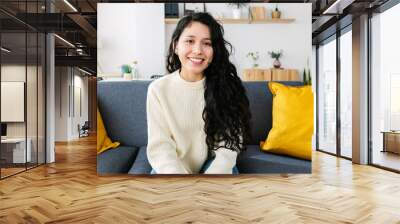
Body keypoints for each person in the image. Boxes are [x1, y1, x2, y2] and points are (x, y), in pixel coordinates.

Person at [146, 12, 251, 174]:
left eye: (207, 43)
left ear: (214, 50)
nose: (198, 50)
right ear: (176, 46)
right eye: (189, 41)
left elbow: (228, 148)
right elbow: (161, 147)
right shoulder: (158, 89)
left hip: (213, 165)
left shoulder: (226, 86)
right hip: (172, 167)